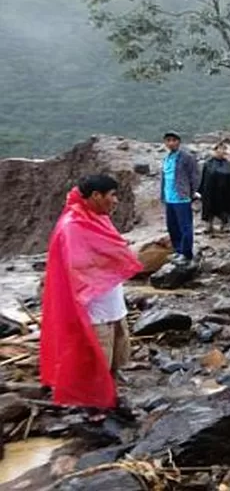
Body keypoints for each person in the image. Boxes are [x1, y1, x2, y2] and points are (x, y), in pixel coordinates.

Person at [40, 175, 144, 412]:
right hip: (93, 306)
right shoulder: (73, 225)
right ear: (96, 196)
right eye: (112, 195)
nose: (115, 201)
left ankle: (112, 395)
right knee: (96, 357)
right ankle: (94, 407)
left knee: (117, 352)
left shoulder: (98, 219)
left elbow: (110, 252)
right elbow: (77, 265)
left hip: (112, 301)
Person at [161, 131, 200, 264]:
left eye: (173, 140)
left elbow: (195, 176)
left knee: (185, 227)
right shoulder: (167, 158)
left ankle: (186, 253)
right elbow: (165, 177)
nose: (171, 143)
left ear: (178, 142)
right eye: (168, 140)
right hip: (169, 198)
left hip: (182, 197)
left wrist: (191, 192)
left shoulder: (187, 157)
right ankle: (178, 251)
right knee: (172, 226)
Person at [198, 142, 230, 234]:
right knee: (209, 207)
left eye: (224, 149)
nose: (222, 151)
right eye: (220, 149)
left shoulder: (228, 164)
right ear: (215, 150)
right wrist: (200, 190)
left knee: (224, 208)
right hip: (210, 190)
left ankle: (225, 225)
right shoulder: (208, 163)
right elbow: (204, 178)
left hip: (225, 191)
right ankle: (208, 225)